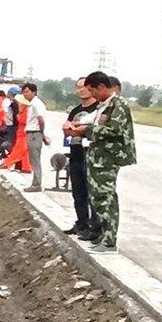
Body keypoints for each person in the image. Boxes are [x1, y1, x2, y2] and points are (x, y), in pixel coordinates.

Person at [71, 71, 136, 251]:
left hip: (109, 157)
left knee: (106, 197)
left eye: (93, 91)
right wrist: (80, 126)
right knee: (98, 198)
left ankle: (109, 240)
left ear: (101, 87)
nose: (93, 95)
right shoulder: (104, 105)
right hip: (98, 156)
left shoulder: (118, 105)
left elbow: (113, 130)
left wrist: (85, 130)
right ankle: (103, 234)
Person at [62, 79, 97, 235]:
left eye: (84, 87)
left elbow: (91, 130)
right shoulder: (75, 110)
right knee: (78, 193)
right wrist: (74, 129)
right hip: (75, 153)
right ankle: (81, 223)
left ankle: (94, 227)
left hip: (91, 155)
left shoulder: (98, 109)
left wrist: (77, 129)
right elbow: (67, 129)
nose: (81, 90)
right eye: (78, 87)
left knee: (92, 194)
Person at [18, 82, 48, 191]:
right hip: (33, 133)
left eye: (27, 92)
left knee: (35, 160)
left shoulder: (36, 103)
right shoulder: (32, 103)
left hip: (34, 133)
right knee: (33, 159)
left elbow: (40, 119)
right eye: (23, 92)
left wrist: (41, 132)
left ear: (34, 92)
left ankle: (36, 184)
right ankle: (35, 183)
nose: (25, 94)